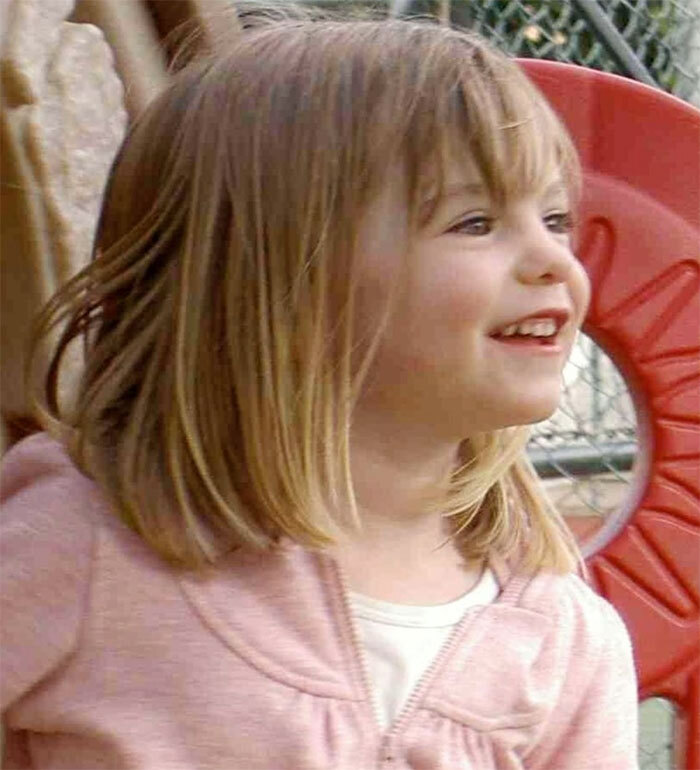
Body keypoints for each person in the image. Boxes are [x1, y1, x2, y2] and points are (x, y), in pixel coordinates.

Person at [1, 9, 639, 769]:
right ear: (280, 280)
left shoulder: (563, 639)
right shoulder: (89, 542)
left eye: (556, 218)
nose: (553, 262)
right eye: (474, 222)